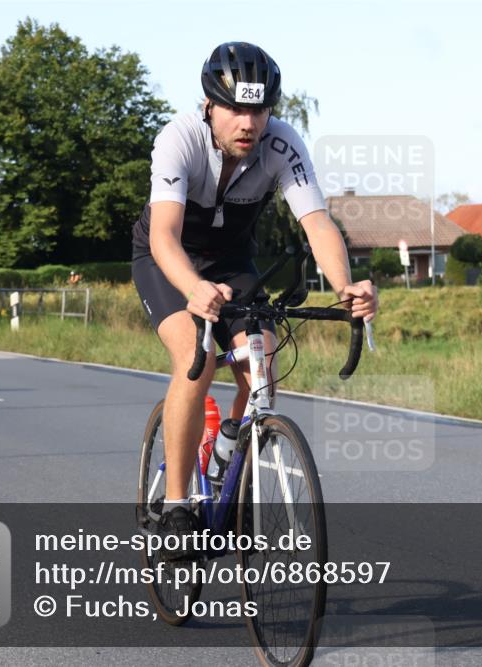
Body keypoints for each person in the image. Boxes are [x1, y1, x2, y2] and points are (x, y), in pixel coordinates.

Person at [131, 42, 377, 556]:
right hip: (167, 258)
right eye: (236, 109)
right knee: (196, 364)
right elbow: (164, 236)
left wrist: (344, 286)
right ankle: (178, 505)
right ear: (210, 106)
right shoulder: (179, 140)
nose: (249, 122)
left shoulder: (282, 144)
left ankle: (225, 458)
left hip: (231, 262)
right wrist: (192, 288)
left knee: (262, 362)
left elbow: (317, 223)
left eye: (259, 109)